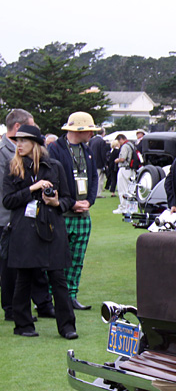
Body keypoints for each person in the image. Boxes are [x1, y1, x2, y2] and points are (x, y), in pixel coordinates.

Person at [2, 125, 77, 339]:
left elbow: (68, 199)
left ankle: (67, 327)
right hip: (24, 229)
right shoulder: (12, 168)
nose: (19, 145)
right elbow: (8, 201)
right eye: (17, 141)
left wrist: (55, 202)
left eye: (23, 141)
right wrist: (32, 189)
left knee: (58, 278)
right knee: (23, 278)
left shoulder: (55, 167)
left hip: (52, 227)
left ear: (35, 143)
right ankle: (23, 325)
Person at [0, 110, 57, 322]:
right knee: (10, 268)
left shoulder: (34, 156)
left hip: (32, 217)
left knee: (35, 264)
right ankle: (12, 308)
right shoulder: (4, 153)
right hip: (8, 218)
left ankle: (42, 303)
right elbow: (4, 194)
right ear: (17, 128)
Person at [47, 111, 102, 311]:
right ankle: (52, 299)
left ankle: (71, 295)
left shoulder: (87, 150)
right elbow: (53, 179)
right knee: (56, 259)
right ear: (80, 130)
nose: (92, 134)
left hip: (83, 215)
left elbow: (93, 179)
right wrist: (70, 203)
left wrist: (89, 201)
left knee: (77, 259)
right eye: (89, 130)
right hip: (62, 213)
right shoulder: (55, 149)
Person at [113, 134, 136, 214]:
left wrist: (117, 160)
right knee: (130, 190)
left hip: (124, 168)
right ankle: (131, 208)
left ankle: (123, 207)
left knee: (122, 189)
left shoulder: (125, 146)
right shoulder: (132, 145)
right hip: (131, 169)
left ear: (121, 139)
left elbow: (123, 158)